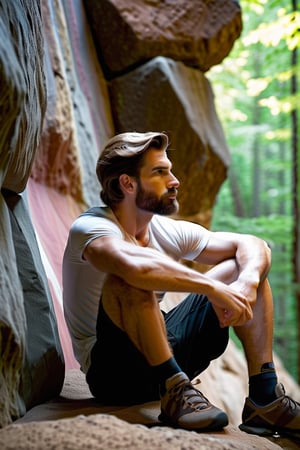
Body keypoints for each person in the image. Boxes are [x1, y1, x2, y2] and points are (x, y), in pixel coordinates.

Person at [63, 131, 300, 436]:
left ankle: (266, 400)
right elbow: (133, 266)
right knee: (127, 279)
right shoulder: (92, 227)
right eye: (160, 172)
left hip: (167, 346)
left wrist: (247, 283)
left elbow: (255, 244)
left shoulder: (164, 229)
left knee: (242, 266)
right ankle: (174, 389)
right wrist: (211, 287)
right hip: (113, 372)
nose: (174, 181)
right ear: (128, 183)